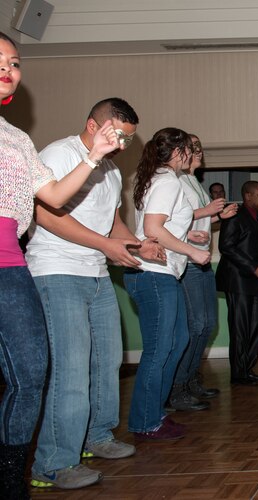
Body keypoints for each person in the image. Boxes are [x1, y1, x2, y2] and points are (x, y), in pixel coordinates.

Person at [0, 32, 122, 498]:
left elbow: (50, 197)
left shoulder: (16, 138)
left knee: (30, 378)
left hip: (11, 266)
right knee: (58, 372)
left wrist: (93, 157)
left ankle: (14, 479)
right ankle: (50, 462)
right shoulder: (45, 144)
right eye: (0, 61)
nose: (9, 69)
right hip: (54, 269)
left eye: (14, 62)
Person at [26, 98, 161, 490]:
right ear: (92, 125)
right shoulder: (60, 153)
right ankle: (52, 462)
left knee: (107, 361)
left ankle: (96, 436)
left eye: (128, 139)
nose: (121, 145)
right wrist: (105, 245)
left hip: (97, 274)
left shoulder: (111, 171)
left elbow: (112, 221)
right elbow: (46, 212)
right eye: (116, 135)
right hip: (57, 272)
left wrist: (136, 245)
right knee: (70, 368)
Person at [125, 128, 210, 441]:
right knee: (160, 349)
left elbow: (157, 227)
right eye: (190, 148)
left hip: (157, 273)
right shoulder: (168, 181)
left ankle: (153, 413)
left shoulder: (156, 178)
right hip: (154, 274)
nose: (194, 154)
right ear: (179, 152)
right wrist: (192, 251)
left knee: (177, 341)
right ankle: (145, 421)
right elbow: (152, 228)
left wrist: (186, 236)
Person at [167, 134, 237, 412]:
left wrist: (219, 217)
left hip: (203, 260)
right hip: (189, 262)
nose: (198, 151)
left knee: (207, 325)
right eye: (192, 147)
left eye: (198, 147)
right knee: (195, 326)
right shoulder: (174, 180)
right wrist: (207, 211)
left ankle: (191, 379)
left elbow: (198, 217)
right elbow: (172, 218)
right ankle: (177, 387)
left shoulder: (193, 181)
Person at [216, 180, 258, 386]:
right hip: (238, 282)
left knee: (256, 326)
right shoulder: (235, 216)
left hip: (257, 283)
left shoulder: (257, 220)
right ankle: (238, 374)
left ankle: (247, 369)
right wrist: (252, 267)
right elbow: (226, 246)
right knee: (240, 328)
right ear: (248, 196)